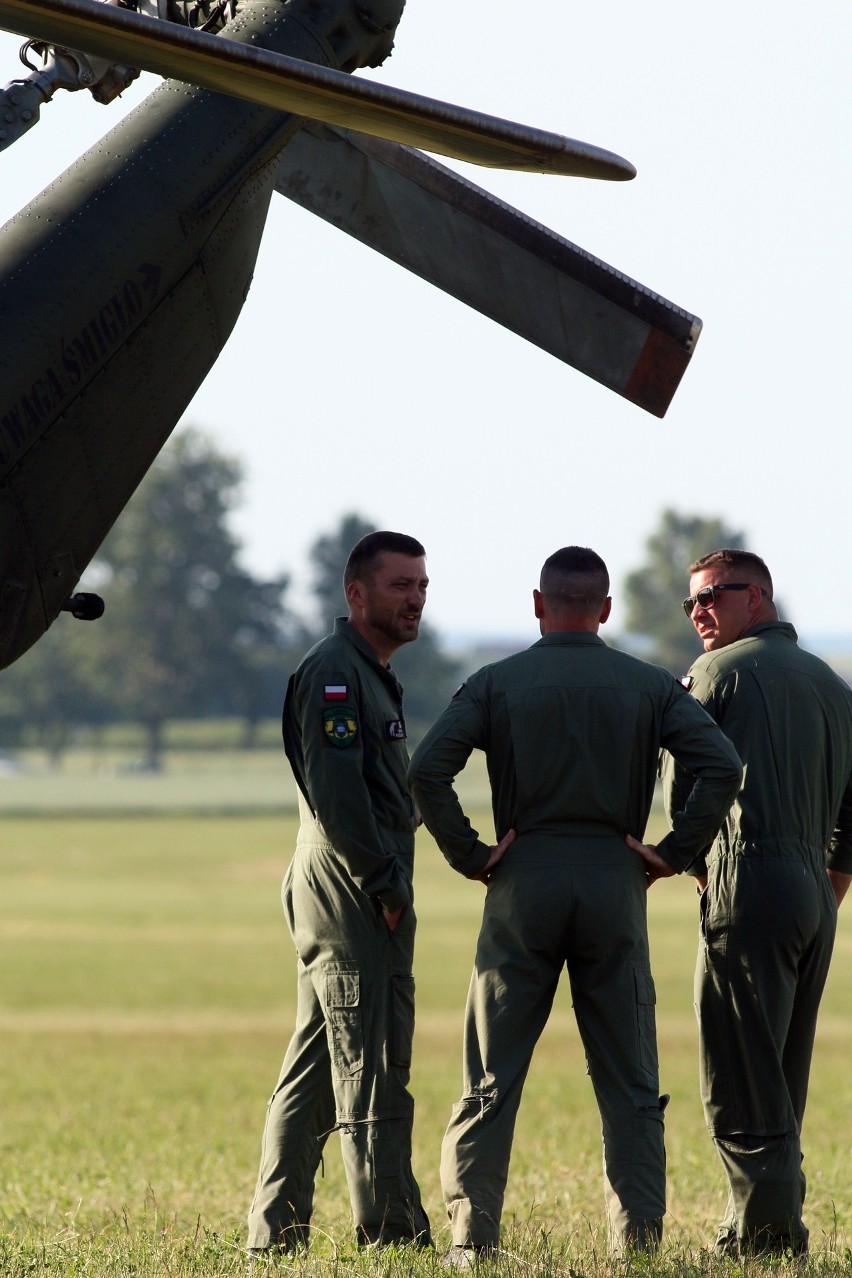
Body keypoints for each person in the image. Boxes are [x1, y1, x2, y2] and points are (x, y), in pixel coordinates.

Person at [407, 546, 742, 1263]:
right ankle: (638, 1245)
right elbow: (722, 764)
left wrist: (472, 854)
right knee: (629, 1079)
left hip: (520, 880)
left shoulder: (495, 683)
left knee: (490, 1074)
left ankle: (472, 1241)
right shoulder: (649, 686)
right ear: (607, 610)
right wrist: (673, 851)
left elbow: (428, 770)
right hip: (615, 880)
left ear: (538, 604)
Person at [633, 548, 852, 1258]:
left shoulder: (714, 675)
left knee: (740, 1069)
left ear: (757, 597)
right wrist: (832, 881)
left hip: (748, 875)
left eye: (714, 596)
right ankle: (771, 1226)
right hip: (813, 890)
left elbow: (684, 777)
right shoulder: (830, 681)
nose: (699, 611)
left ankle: (763, 1238)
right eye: (691, 601)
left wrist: (689, 860)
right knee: (783, 1069)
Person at [246, 531, 432, 1255]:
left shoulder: (368, 670)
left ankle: (274, 1235)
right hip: (352, 878)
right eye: (399, 586)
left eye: (421, 586)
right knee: (372, 1061)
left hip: (348, 873)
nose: (414, 599)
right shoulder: (335, 673)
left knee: (318, 1062)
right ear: (357, 594)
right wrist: (385, 882)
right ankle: (390, 1231)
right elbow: (337, 793)